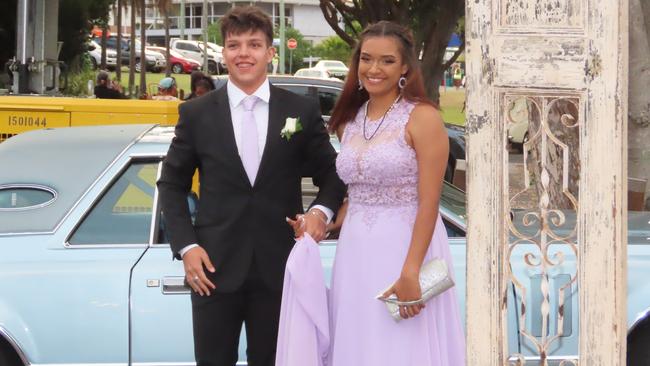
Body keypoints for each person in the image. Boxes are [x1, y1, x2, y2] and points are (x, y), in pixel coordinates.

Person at [157, 6, 346, 366]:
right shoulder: (196, 114)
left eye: (254, 44)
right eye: (234, 45)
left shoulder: (300, 111)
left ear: (270, 52)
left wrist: (319, 213)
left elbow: (333, 174)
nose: (244, 53)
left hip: (279, 267)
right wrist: (187, 245)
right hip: (212, 268)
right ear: (223, 52)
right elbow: (171, 183)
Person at [320, 21, 465, 365]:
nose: (373, 69)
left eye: (386, 60)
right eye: (366, 59)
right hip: (354, 252)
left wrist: (411, 270)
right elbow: (359, 194)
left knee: (401, 344)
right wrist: (322, 223)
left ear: (404, 67)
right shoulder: (349, 121)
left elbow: (429, 202)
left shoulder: (423, 118)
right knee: (359, 341)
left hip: (404, 247)